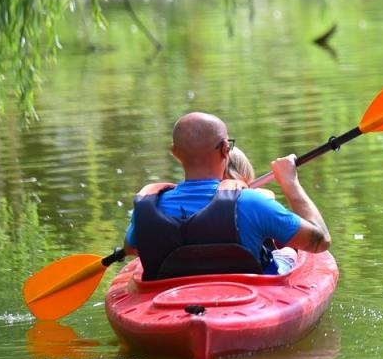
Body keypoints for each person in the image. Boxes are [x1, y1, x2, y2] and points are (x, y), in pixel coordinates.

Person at [125, 112, 330, 280]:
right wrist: (290, 182)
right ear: (225, 149)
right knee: (289, 251)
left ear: (175, 153)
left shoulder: (148, 208)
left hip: (170, 300)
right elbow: (320, 241)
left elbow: (132, 248)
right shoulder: (252, 202)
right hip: (247, 300)